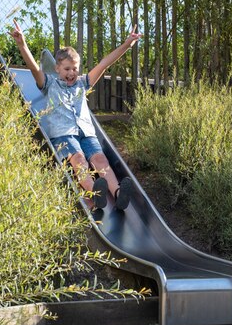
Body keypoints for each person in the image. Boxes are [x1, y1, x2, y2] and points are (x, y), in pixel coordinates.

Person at [9, 20, 142, 210]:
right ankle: (95, 194)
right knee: (79, 160)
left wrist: (127, 45)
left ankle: (118, 193)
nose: (72, 73)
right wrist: (22, 44)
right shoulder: (49, 84)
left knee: (100, 160)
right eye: (67, 69)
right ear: (57, 69)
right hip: (64, 134)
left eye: (75, 68)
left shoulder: (83, 83)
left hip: (86, 132)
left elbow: (105, 63)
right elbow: (34, 68)